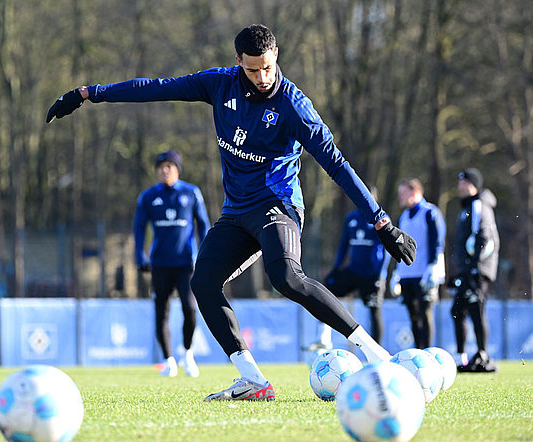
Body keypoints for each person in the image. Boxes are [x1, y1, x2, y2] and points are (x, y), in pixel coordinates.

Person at [46, 24, 416, 401]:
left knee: (286, 276)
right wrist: (89, 93)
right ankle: (253, 380)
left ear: (277, 58)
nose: (262, 77)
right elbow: (156, 88)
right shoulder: (218, 85)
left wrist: (382, 222)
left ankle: (376, 355)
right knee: (203, 281)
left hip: (279, 205)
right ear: (238, 61)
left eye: (268, 68)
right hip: (237, 213)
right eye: (253, 69)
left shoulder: (293, 105)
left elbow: (336, 164)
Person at [134, 150, 210, 377]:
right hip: (159, 264)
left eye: (169, 166)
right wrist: (140, 256)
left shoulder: (191, 193)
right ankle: (168, 361)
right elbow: (138, 229)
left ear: (177, 169)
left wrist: (206, 255)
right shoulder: (148, 197)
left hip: (186, 263)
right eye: (161, 167)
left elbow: (203, 225)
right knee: (161, 312)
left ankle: (187, 354)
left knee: (190, 308)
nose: (164, 170)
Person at [319, 185, 390, 347]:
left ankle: (377, 352)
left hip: (372, 275)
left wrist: (380, 274)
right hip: (353, 271)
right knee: (325, 293)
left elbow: (386, 249)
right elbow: (343, 245)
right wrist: (336, 268)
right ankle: (323, 338)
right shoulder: (350, 219)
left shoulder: (380, 219)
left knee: (374, 310)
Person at [448, 168, 499, 372]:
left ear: (474, 185)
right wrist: (460, 271)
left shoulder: (479, 205)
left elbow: (484, 237)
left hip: (477, 271)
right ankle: (463, 358)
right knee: (458, 310)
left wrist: (473, 267)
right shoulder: (466, 207)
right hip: (467, 270)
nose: (460, 187)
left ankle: (483, 356)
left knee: (476, 310)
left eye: (464, 183)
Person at [390, 178, 446, 349]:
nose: (400, 197)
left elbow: (437, 242)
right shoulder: (403, 216)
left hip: (425, 273)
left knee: (425, 313)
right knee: (413, 316)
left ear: (415, 192)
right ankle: (418, 350)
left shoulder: (430, 213)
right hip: (407, 274)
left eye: (403, 193)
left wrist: (433, 266)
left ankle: (427, 350)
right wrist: (396, 272)